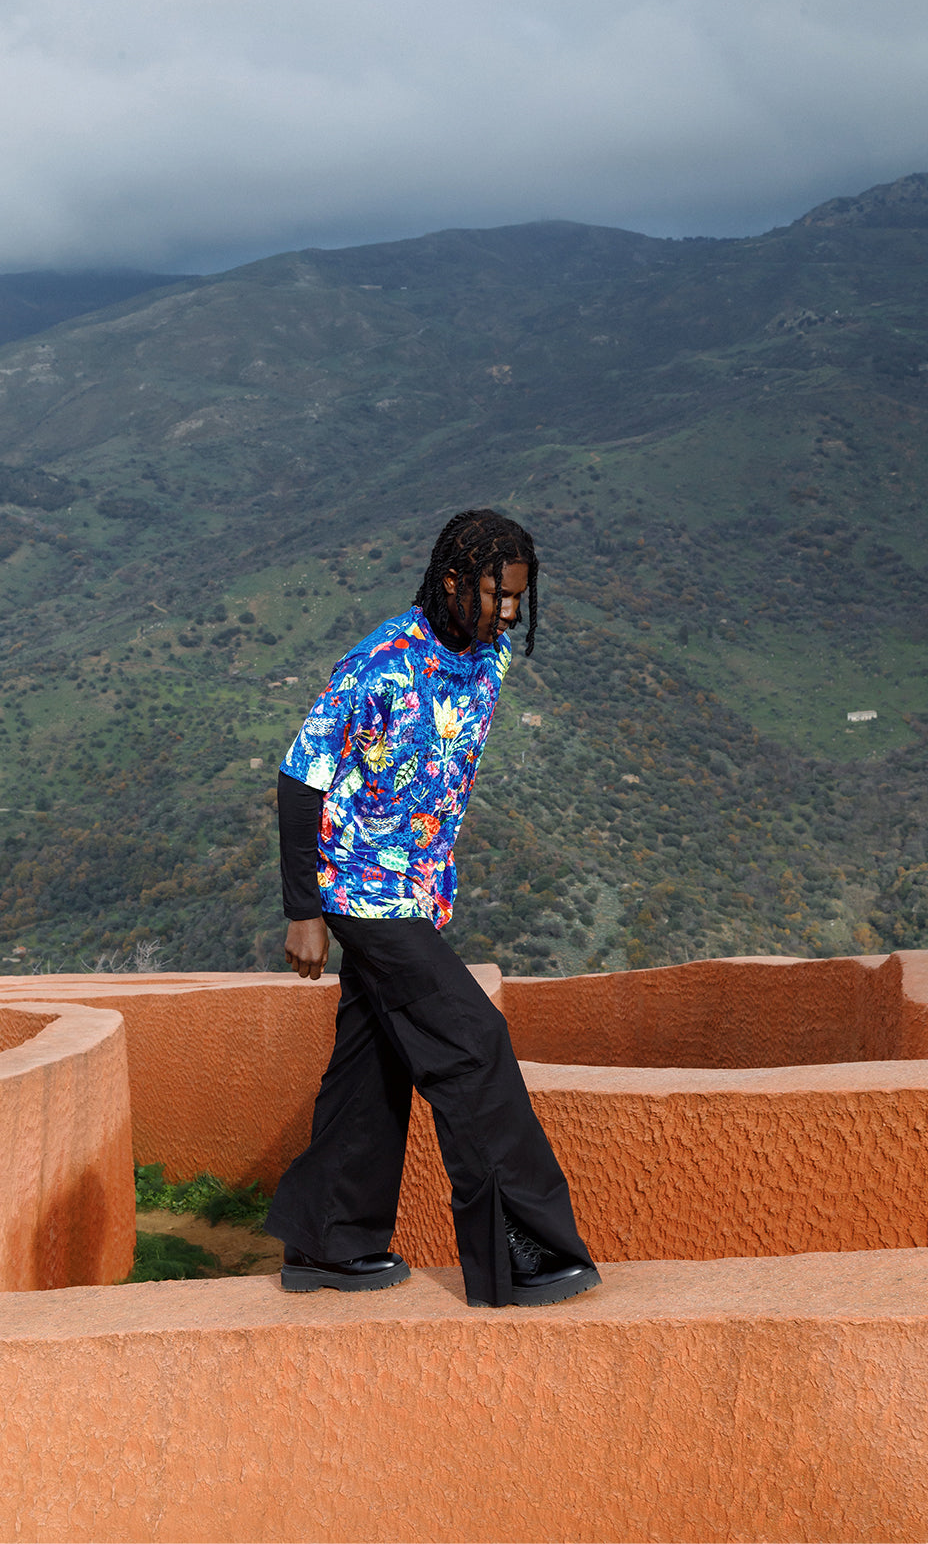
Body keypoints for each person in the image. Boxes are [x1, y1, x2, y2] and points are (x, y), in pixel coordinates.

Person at [263, 508, 600, 1309]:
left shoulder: (488, 655)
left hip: (415, 893)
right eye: (496, 594)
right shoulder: (377, 664)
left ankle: (327, 1241)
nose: (509, 613)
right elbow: (298, 776)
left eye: (518, 597)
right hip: (358, 893)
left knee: (370, 1065)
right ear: (451, 581)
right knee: (471, 1041)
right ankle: (518, 1248)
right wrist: (302, 908)